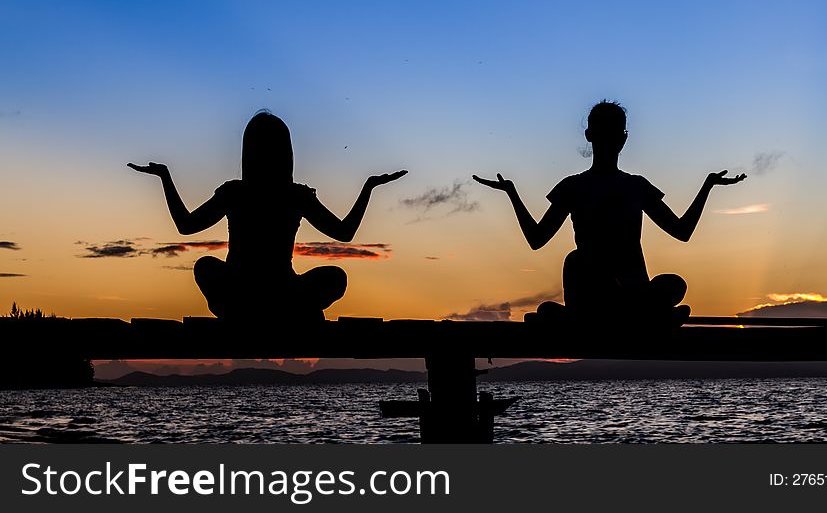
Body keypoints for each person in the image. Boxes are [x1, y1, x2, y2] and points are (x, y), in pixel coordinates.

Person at [473, 100, 745, 326]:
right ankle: (646, 317)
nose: (610, 138)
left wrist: (707, 186)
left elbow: (681, 231)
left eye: (613, 132)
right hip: (595, 293)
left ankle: (617, 315)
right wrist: (512, 193)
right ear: (593, 135)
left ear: (620, 138)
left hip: (631, 292)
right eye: (606, 131)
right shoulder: (574, 187)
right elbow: (537, 239)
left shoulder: (636, 186)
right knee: (577, 261)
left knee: (675, 284)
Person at [129, 110, 406, 321]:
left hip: (263, 290)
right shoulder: (279, 194)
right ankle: (288, 312)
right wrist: (368, 187)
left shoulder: (252, 193)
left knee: (334, 276)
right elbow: (344, 233)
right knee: (206, 266)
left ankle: (247, 312)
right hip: (271, 291)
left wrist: (165, 177)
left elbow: (185, 226)